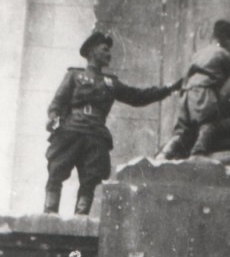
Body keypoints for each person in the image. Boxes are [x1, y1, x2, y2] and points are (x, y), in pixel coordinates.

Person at [44, 31, 182, 215]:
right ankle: (50, 213)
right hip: (71, 130)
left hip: (95, 134)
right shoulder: (74, 75)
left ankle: (80, 218)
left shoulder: (111, 83)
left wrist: (168, 89)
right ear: (92, 51)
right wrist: (53, 118)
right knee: (56, 171)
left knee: (91, 179)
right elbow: (57, 103)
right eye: (105, 49)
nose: (109, 54)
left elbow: (137, 97)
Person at [157, 19, 230, 160]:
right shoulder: (223, 54)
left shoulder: (200, 53)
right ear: (226, 39)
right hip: (203, 91)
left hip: (186, 93)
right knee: (209, 124)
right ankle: (198, 154)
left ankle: (164, 155)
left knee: (182, 132)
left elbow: (185, 76)